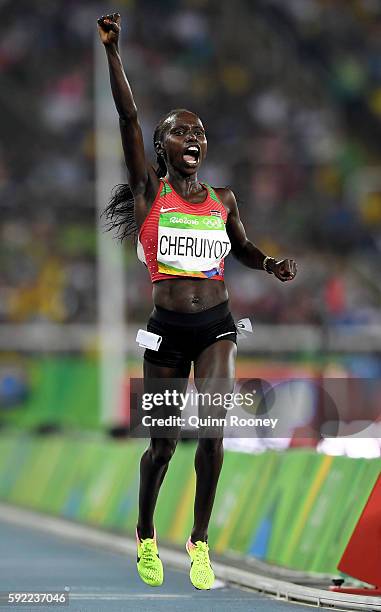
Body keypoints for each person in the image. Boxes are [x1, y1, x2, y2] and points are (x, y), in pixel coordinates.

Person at [97, 12, 297, 591]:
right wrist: (113, 52)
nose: (195, 140)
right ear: (162, 146)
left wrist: (269, 263)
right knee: (163, 446)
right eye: (182, 133)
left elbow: (244, 247)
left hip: (216, 324)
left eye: (201, 134)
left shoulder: (222, 198)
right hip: (164, 329)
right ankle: (144, 534)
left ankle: (201, 544)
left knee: (211, 432)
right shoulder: (148, 191)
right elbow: (128, 116)